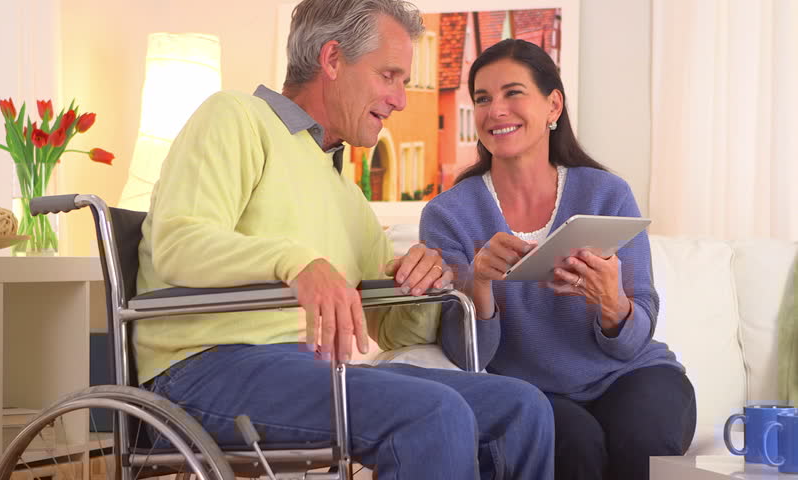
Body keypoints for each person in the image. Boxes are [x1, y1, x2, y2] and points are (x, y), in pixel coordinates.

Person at [136, 2, 555, 479]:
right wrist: (297, 263)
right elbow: (178, 244)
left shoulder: (344, 191)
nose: (400, 99)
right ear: (333, 59)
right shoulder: (235, 116)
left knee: (521, 408)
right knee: (432, 413)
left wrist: (423, 278)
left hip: (305, 371)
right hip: (203, 371)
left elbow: (397, 331)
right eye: (389, 75)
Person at [419, 39, 697, 480]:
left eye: (513, 93)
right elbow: (467, 356)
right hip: (534, 393)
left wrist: (612, 304)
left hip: (633, 375)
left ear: (553, 106)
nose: (496, 111)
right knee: (575, 446)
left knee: (641, 442)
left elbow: (634, 336)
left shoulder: (607, 194)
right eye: (483, 99)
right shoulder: (449, 215)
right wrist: (480, 283)